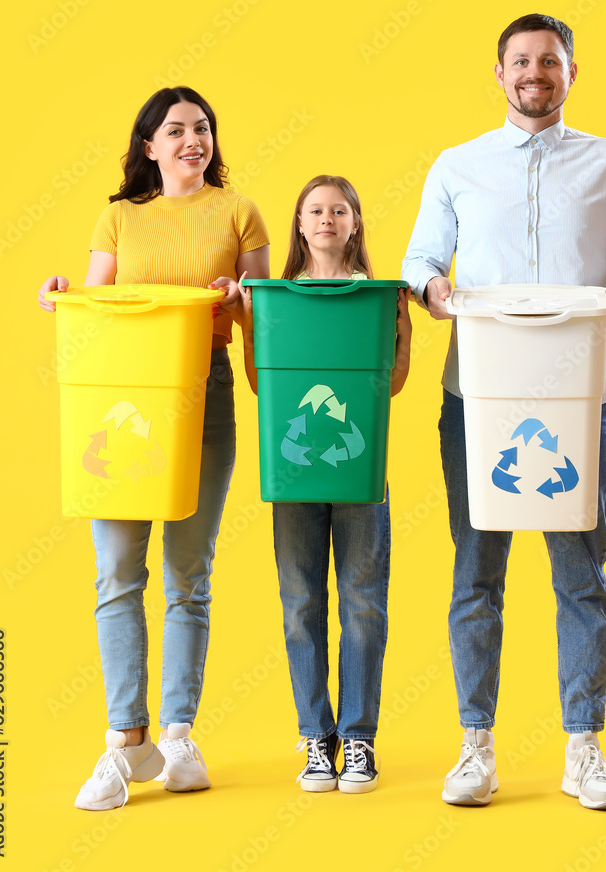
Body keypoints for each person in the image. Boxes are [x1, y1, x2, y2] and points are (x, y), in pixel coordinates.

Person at [402, 14, 606, 810]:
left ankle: (582, 749)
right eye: (520, 61)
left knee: (580, 574)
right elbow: (422, 256)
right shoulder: (458, 166)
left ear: (571, 73)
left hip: (577, 397)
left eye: (548, 61)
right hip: (477, 396)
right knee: (476, 573)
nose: (534, 74)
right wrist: (433, 288)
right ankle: (475, 747)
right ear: (498, 73)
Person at [38, 86, 270, 810]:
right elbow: (98, 308)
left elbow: (267, 314)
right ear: (149, 146)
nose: (191, 141)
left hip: (207, 398)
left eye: (201, 129)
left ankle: (177, 736)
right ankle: (124, 741)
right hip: (125, 406)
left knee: (188, 573)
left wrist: (239, 297)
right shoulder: (119, 217)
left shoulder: (240, 212)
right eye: (175, 131)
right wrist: (61, 294)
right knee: (117, 571)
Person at [240, 175, 411, 793]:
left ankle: (359, 740)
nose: (327, 219)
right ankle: (316, 737)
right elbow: (265, 386)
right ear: (300, 223)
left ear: (356, 222)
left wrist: (397, 327)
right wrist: (247, 316)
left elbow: (390, 386)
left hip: (360, 471)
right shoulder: (275, 298)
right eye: (315, 210)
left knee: (363, 602)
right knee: (302, 603)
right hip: (296, 476)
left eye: (339, 210)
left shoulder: (377, 296)